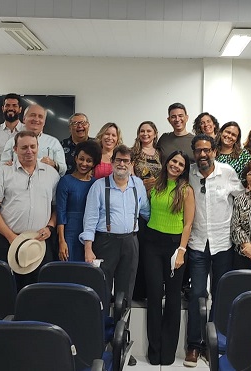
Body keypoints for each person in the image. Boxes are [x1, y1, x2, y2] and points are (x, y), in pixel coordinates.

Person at [185, 134, 243, 367]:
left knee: (220, 294)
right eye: (198, 150)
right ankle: (193, 344)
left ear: (214, 151)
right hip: (197, 243)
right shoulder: (188, 173)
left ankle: (213, 344)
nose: (202, 154)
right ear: (194, 153)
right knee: (197, 294)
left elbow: (242, 199)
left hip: (223, 243)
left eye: (206, 150)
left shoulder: (227, 172)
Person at [0, 131, 60, 290]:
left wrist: (50, 227)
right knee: (7, 291)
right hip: (8, 241)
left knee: (39, 292)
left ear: (38, 147)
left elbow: (56, 208)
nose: (29, 151)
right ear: (15, 149)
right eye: (24, 147)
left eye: (33, 147)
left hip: (39, 244)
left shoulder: (51, 174)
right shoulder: (3, 172)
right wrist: (11, 237)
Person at [81, 144, 150, 304]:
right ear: (112, 162)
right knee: (101, 287)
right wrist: (88, 248)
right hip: (105, 242)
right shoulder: (99, 186)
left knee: (126, 290)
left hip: (130, 241)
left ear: (131, 163)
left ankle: (122, 327)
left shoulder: (138, 185)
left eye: (126, 161)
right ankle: (100, 326)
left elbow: (146, 211)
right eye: (118, 160)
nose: (122, 164)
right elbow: (90, 218)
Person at [144, 150, 194, 366]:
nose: (176, 165)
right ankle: (154, 351)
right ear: (166, 163)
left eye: (181, 164)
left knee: (173, 299)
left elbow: (188, 224)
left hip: (175, 246)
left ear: (184, 169)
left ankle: (168, 352)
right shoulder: (154, 185)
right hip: (151, 245)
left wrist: (182, 251)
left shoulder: (186, 190)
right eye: (173, 161)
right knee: (154, 297)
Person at [130, 120, 162, 301]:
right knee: (139, 250)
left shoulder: (160, 153)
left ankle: (154, 290)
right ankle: (138, 292)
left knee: (153, 250)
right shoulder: (133, 153)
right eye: (142, 131)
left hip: (157, 206)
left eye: (149, 131)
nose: (145, 134)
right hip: (139, 205)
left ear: (155, 133)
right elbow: (129, 177)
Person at [56, 140, 101, 262]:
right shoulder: (65, 181)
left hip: (91, 236)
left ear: (94, 163)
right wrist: (62, 241)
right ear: (75, 158)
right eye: (81, 159)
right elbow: (60, 213)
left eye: (89, 160)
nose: (84, 163)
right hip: (69, 234)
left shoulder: (96, 184)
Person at [0, 104, 67, 176]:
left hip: (47, 185)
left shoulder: (53, 143)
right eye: (33, 115)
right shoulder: (12, 142)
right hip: (18, 185)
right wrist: (6, 167)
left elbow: (63, 170)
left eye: (40, 117)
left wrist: (54, 165)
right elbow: (1, 168)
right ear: (24, 119)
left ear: (44, 122)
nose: (36, 119)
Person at [0, 93, 23, 169]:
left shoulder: (28, 132)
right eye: (7, 105)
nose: (10, 108)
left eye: (14, 105)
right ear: (3, 108)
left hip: (22, 178)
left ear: (20, 109)